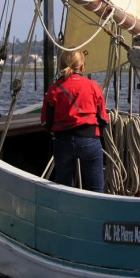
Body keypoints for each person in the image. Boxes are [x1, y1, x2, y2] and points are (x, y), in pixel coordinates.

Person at [42, 49, 108, 193]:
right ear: (83, 66)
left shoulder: (54, 89)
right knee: (96, 188)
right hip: (89, 140)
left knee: (64, 187)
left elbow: (46, 122)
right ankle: (96, 210)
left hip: (63, 141)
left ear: (60, 66)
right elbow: (103, 118)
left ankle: (66, 209)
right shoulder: (93, 86)